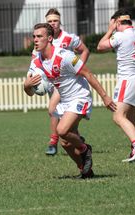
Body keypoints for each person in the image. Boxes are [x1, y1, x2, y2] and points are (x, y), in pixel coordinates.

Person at [24, 23, 116, 178]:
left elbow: (88, 74)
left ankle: (85, 148)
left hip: (79, 96)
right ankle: (85, 170)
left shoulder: (64, 56)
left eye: (39, 36)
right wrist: (26, 86)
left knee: (61, 130)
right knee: (65, 142)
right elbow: (30, 92)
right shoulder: (36, 62)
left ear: (50, 38)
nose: (35, 40)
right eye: (34, 36)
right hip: (65, 100)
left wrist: (105, 97)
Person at [34, 8, 90, 156]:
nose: (52, 23)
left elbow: (84, 51)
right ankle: (74, 140)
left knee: (53, 110)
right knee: (59, 114)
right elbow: (36, 62)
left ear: (60, 22)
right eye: (49, 21)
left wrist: (78, 69)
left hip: (66, 82)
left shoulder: (69, 38)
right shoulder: (41, 40)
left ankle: (54, 141)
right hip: (52, 80)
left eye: (55, 21)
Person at [97, 9, 135, 162]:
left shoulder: (119, 35)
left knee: (118, 116)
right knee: (131, 119)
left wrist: (109, 30)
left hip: (128, 81)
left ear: (118, 22)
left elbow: (100, 47)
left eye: (114, 24)